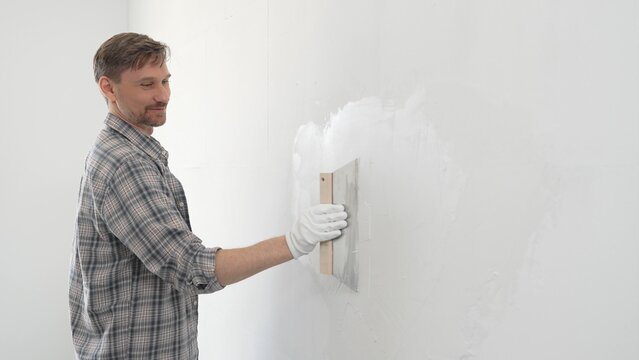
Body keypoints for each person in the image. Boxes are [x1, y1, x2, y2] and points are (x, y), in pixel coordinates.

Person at [68, 32, 348, 359]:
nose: (163, 95)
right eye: (147, 85)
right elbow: (190, 266)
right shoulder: (125, 163)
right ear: (108, 87)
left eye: (165, 81)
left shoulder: (130, 153)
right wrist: (294, 242)